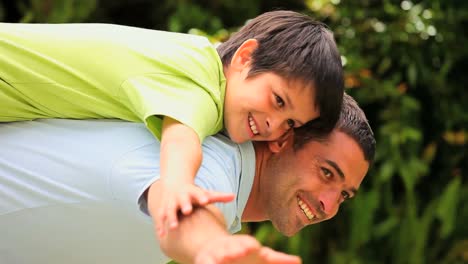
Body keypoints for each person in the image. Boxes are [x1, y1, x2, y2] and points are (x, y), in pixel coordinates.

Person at [0, 10, 344, 235]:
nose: (273, 125)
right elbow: (182, 138)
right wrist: (179, 185)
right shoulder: (201, 84)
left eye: (290, 123)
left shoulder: (193, 55)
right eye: (278, 101)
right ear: (244, 57)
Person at [0, 94, 374, 264]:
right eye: (327, 173)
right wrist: (210, 247)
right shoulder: (211, 162)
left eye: (344, 195)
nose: (328, 204)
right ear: (282, 139)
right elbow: (181, 206)